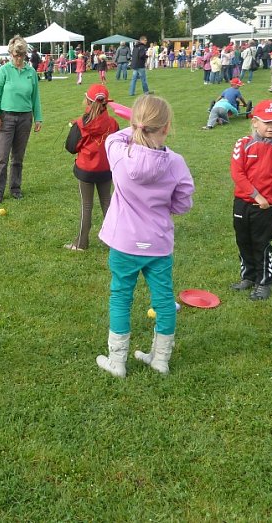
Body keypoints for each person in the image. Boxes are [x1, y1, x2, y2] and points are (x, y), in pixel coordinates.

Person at [95, 94, 194, 377]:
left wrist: (135, 123)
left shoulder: (118, 152)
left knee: (120, 297)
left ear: (135, 124)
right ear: (166, 127)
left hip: (124, 242)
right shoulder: (176, 162)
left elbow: (114, 137)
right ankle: (160, 359)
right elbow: (183, 204)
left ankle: (118, 361)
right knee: (163, 300)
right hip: (158, 243)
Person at [229, 100, 272, 301]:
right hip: (243, 203)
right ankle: (248, 277)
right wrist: (256, 195)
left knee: (261, 243)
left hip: (266, 207)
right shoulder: (243, 144)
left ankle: (264, 282)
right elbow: (237, 174)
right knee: (243, 241)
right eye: (267, 122)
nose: (271, 126)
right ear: (255, 122)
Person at [64, 85, 119, 251]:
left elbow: (71, 147)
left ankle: (81, 243)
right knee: (107, 202)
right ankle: (114, 240)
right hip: (106, 169)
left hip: (86, 170)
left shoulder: (81, 124)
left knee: (86, 205)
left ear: (87, 101)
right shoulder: (113, 123)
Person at [0, 35, 42, 203]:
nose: (19, 58)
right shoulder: (3, 71)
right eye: (16, 55)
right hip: (6, 118)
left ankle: (15, 188)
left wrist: (38, 118)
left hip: (25, 118)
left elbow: (35, 97)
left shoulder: (31, 72)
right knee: (2, 157)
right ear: (10, 54)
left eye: (22, 55)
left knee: (18, 157)